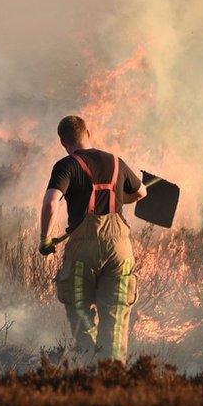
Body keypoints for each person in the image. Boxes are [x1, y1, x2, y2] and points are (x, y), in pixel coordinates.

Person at [39, 115, 147, 363]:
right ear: (88, 132)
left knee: (78, 306)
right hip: (120, 248)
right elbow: (141, 192)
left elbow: (50, 202)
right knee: (116, 312)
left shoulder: (66, 165)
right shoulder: (116, 162)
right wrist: (120, 196)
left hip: (83, 250)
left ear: (63, 142)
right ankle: (113, 372)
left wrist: (45, 239)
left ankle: (89, 364)